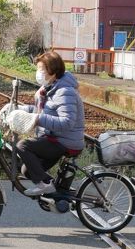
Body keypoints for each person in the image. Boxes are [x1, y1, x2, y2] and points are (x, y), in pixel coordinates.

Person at [16, 50, 85, 197]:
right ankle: (56, 192)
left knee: (23, 145)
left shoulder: (65, 91)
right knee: (28, 171)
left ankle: (46, 185)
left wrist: (37, 119)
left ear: (53, 72)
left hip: (65, 141)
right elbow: (40, 110)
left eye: (41, 70)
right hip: (53, 138)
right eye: (38, 69)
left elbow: (67, 123)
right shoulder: (49, 88)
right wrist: (19, 109)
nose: (38, 73)